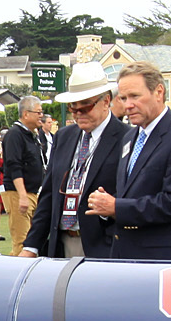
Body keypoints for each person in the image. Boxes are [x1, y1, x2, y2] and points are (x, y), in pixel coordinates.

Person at [85, 61, 171, 260]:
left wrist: (116, 207)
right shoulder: (130, 138)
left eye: (135, 96)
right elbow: (133, 191)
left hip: (164, 262)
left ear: (159, 92)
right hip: (126, 259)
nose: (127, 105)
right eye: (123, 98)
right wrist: (105, 206)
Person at [16, 62, 125, 260]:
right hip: (61, 244)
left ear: (106, 101)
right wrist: (31, 246)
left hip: (105, 247)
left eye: (86, 107)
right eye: (73, 108)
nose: (78, 114)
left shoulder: (127, 139)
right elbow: (49, 195)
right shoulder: (64, 137)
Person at [0, 97, 47, 252]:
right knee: (22, 243)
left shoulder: (33, 134)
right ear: (26, 114)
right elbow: (14, 166)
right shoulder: (14, 134)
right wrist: (22, 196)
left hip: (33, 192)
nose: (42, 116)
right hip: (19, 193)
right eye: (38, 112)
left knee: (34, 241)